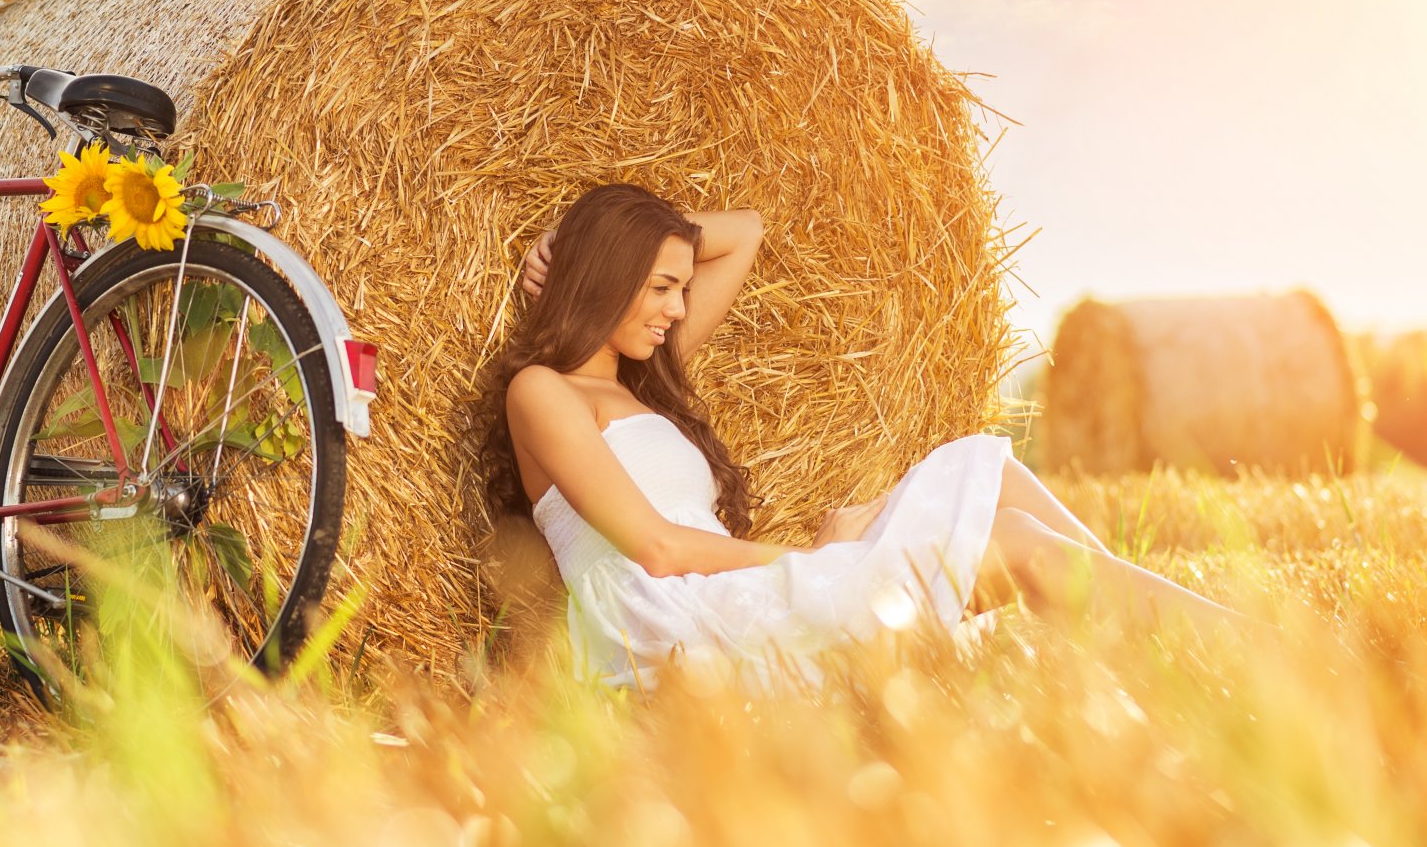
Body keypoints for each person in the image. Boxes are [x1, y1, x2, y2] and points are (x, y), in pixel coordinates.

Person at [476, 182, 1254, 691]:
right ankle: (1253, 660)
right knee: (1017, 546)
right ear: (606, 280)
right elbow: (660, 548)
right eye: (661, 288)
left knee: (988, 470)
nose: (679, 309)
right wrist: (820, 559)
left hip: (718, 593)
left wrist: (573, 233)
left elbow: (745, 233)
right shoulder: (542, 392)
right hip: (668, 630)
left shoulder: (636, 379)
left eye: (682, 287)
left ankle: (1182, 649)